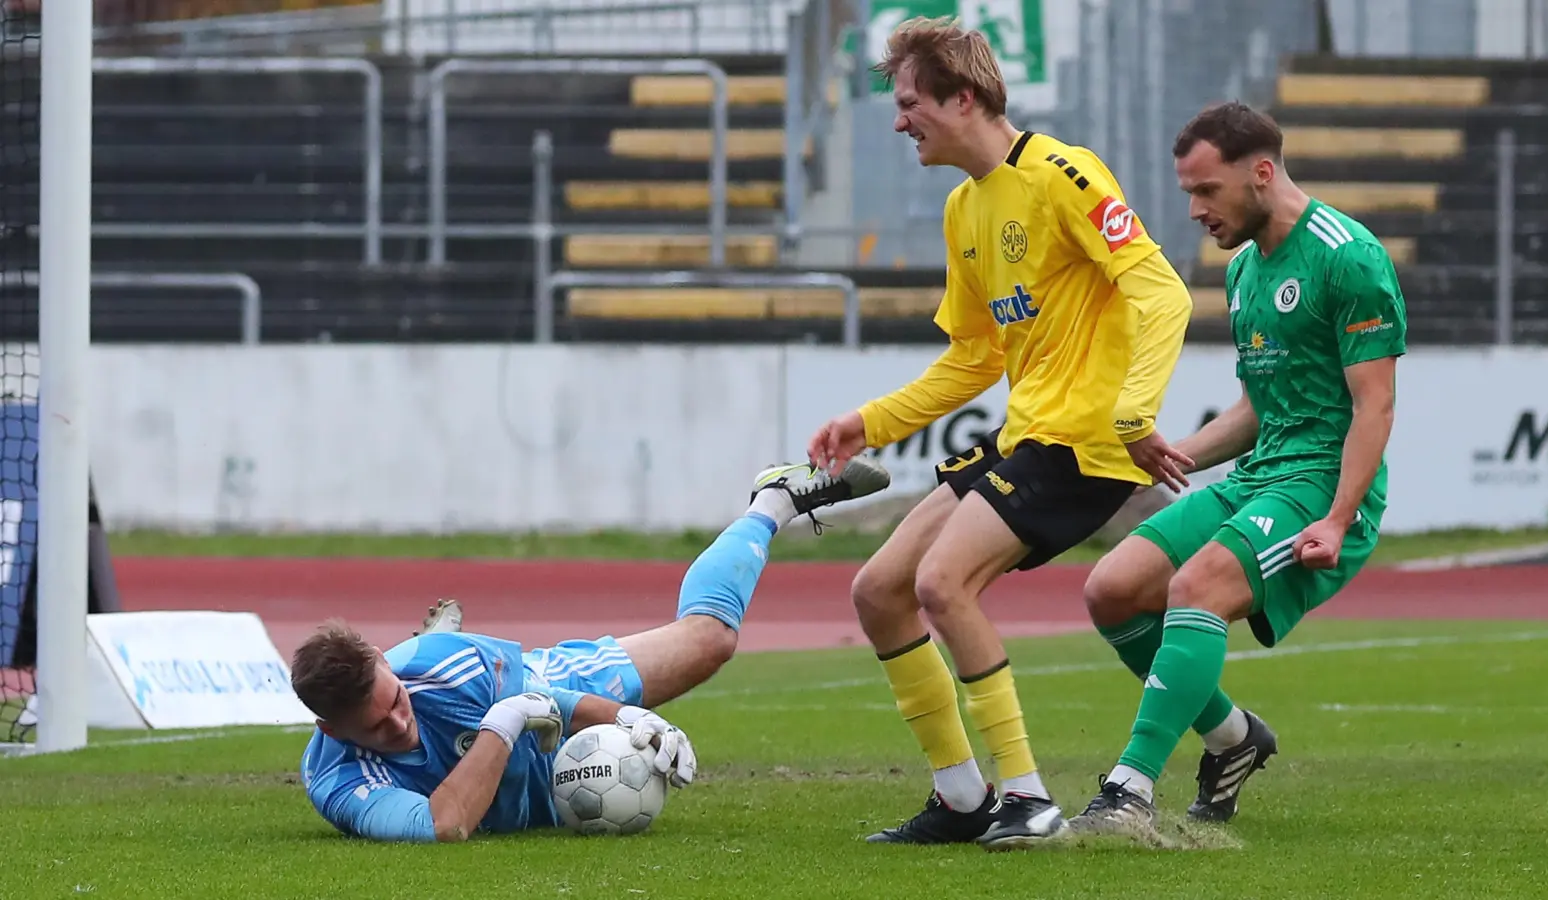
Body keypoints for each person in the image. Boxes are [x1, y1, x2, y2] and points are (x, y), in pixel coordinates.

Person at [806, 16, 1196, 849]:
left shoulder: (1063, 173)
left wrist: (1133, 413)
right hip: (1027, 437)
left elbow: (1163, 292)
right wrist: (867, 423)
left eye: (911, 101)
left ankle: (1028, 798)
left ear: (964, 96)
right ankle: (961, 798)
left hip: (1085, 442)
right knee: (878, 591)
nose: (900, 118)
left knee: (944, 583)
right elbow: (973, 361)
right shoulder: (964, 208)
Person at [1062, 100, 1407, 840]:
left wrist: (1338, 518)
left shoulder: (1348, 256)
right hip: (1262, 471)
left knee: (1195, 589)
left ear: (1260, 173)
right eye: (1188, 191)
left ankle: (1128, 790)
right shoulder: (1246, 269)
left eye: (1205, 190)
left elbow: (1373, 408)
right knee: (1112, 591)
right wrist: (1177, 452)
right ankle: (1233, 740)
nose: (1193, 209)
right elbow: (1257, 407)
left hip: (1318, 483)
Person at [292, 457, 891, 842]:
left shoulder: (440, 671)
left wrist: (635, 719)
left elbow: (543, 700)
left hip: (540, 680)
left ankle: (774, 501)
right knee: (477, 700)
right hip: (505, 714)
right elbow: (444, 825)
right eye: (379, 725)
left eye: (395, 698)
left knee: (709, 641)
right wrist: (501, 720)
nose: (401, 720)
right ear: (333, 729)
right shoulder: (337, 781)